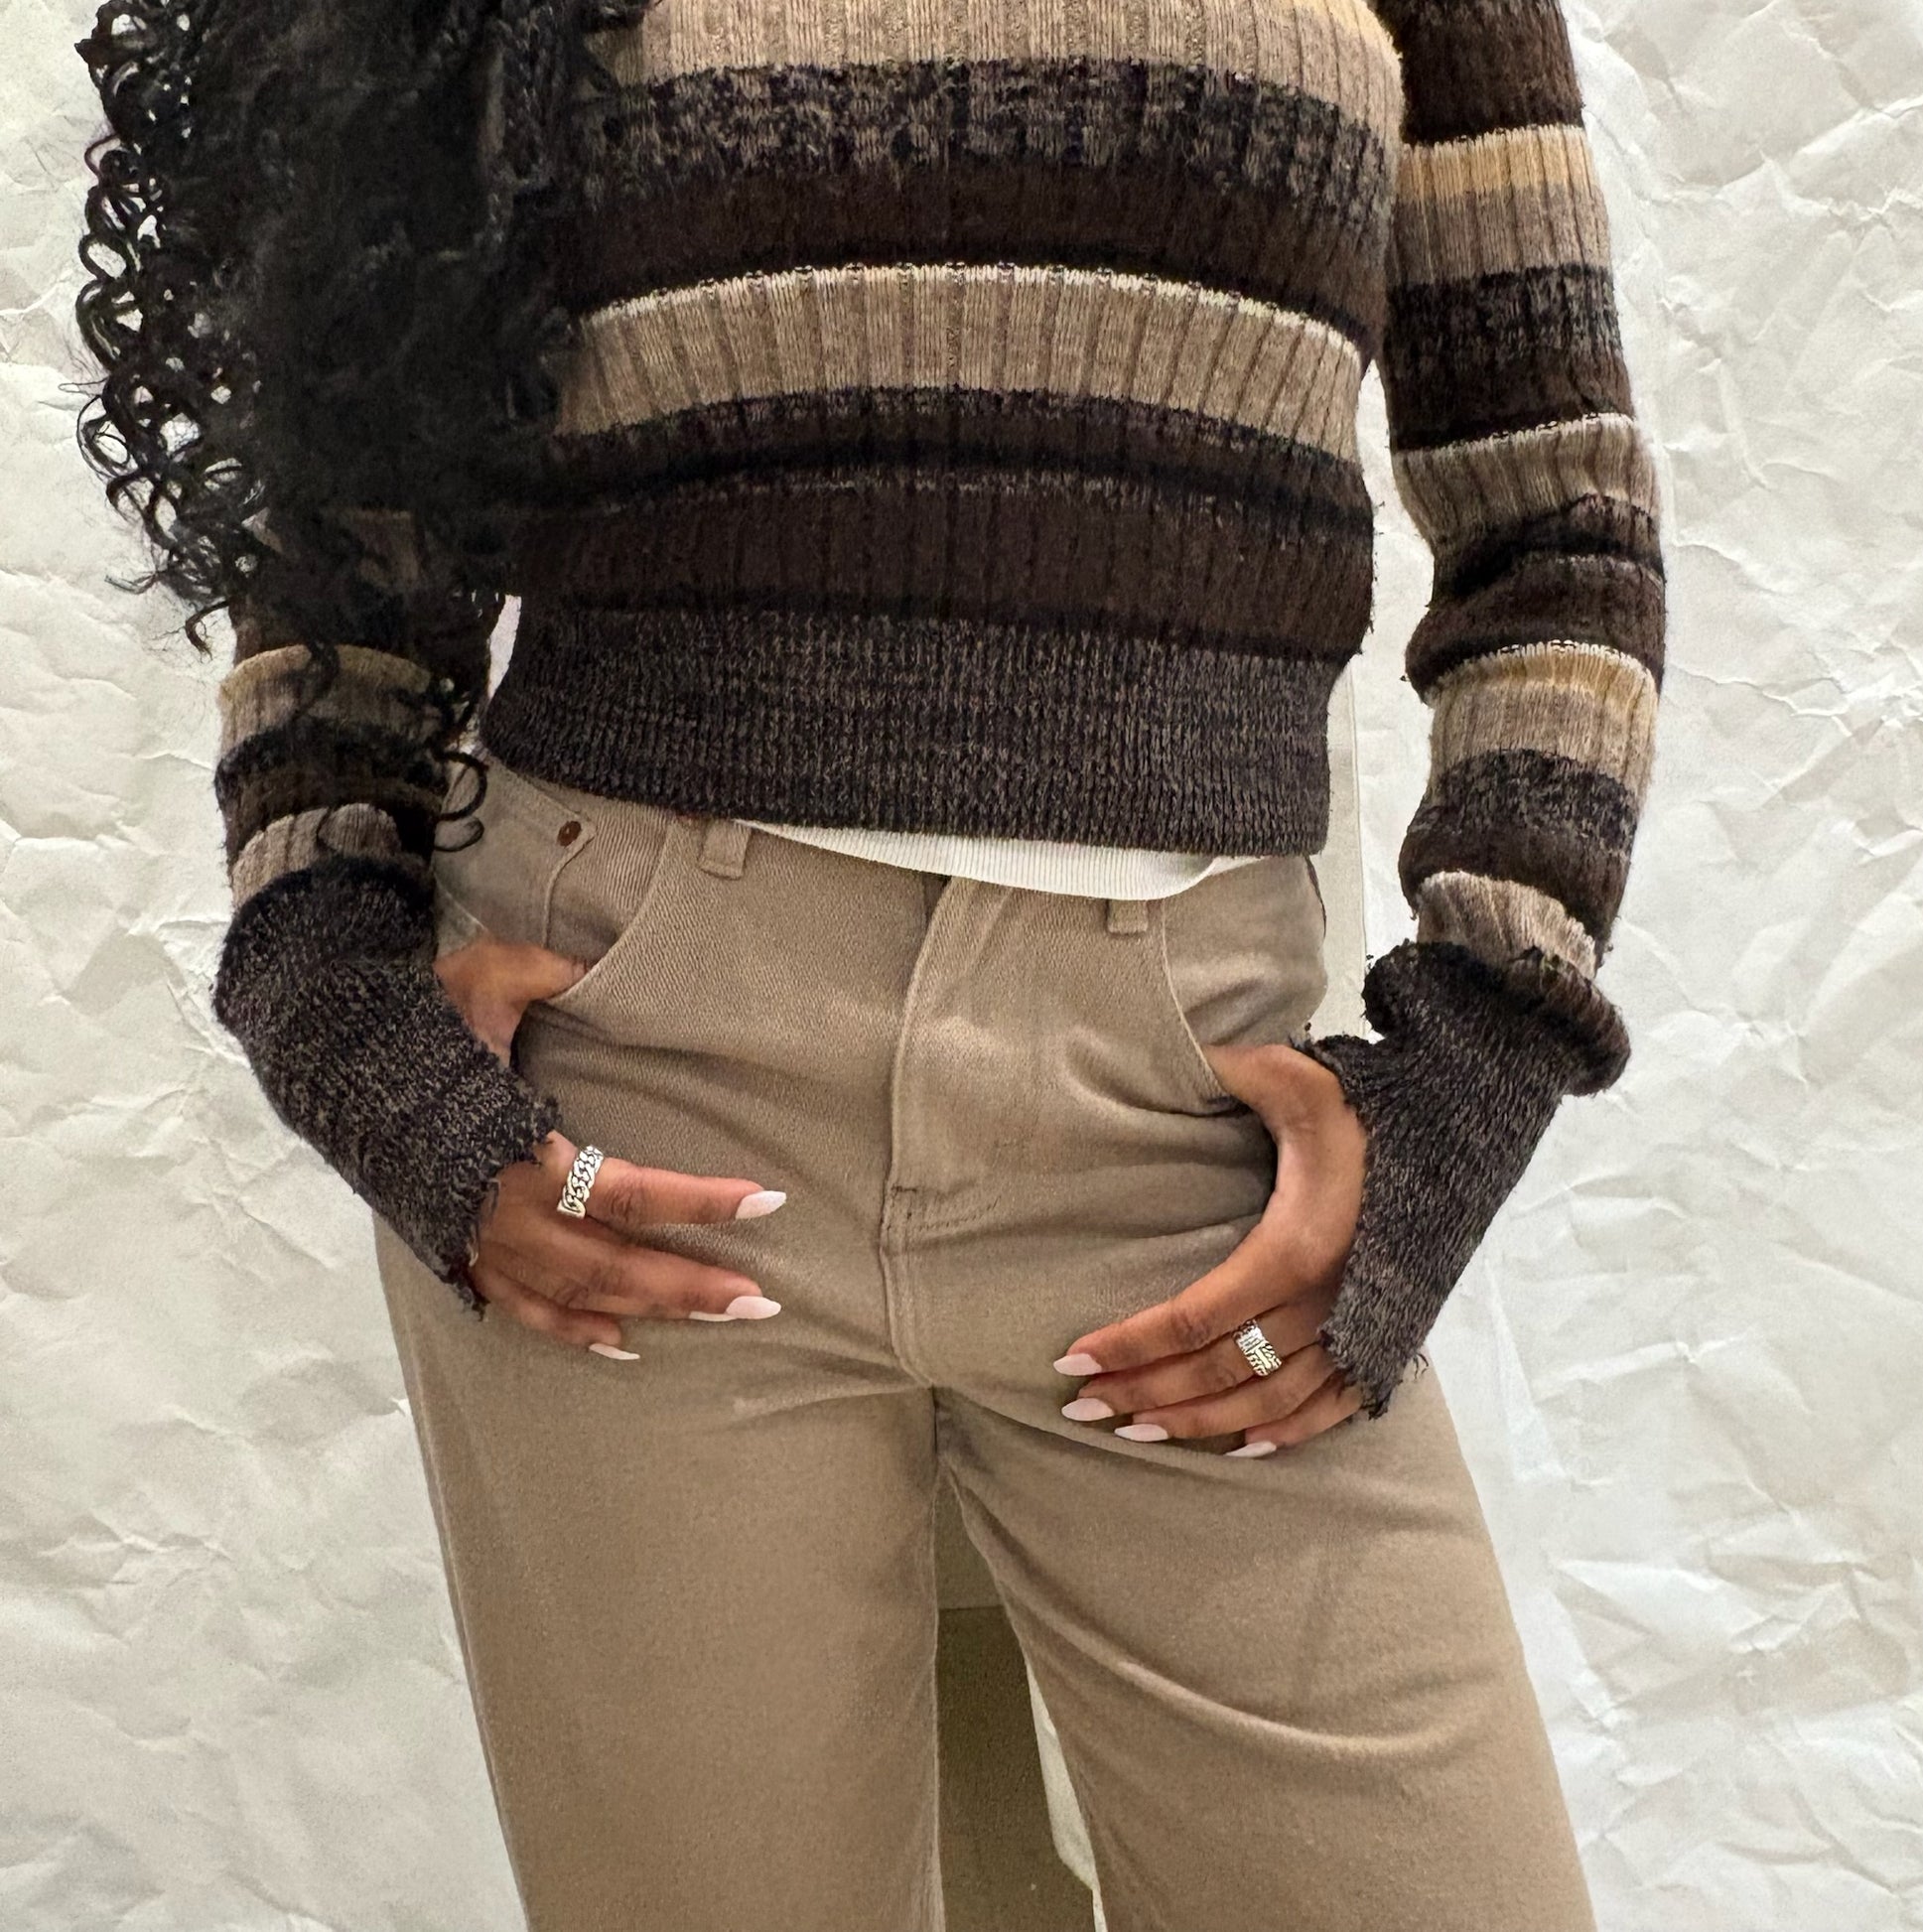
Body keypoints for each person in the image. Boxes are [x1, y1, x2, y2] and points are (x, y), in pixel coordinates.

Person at [72, 0, 1664, 1926]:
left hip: (1191, 1127)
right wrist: (341, 1000)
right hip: (632, 1106)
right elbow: (348, 512)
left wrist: (1473, 1059)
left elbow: (1556, 519)